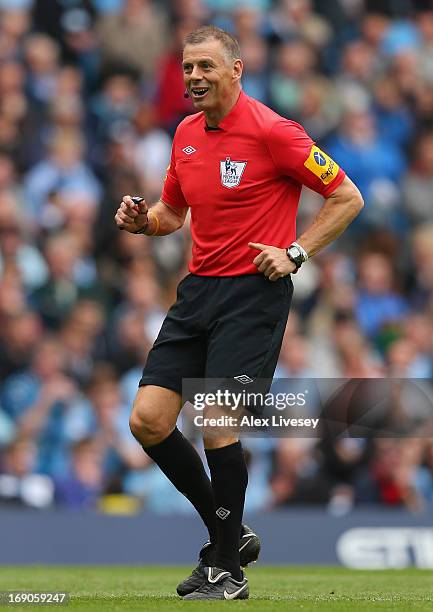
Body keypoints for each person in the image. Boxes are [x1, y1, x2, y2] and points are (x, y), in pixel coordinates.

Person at [115, 25, 363, 601]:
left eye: (205, 66)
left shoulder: (275, 131)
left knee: (216, 416)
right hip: (198, 290)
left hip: (254, 291)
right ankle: (229, 533)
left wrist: (296, 252)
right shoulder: (185, 134)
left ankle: (225, 566)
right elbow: (172, 214)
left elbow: (347, 196)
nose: (194, 77)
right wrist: (141, 221)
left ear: (235, 70)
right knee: (147, 421)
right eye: (187, 68)